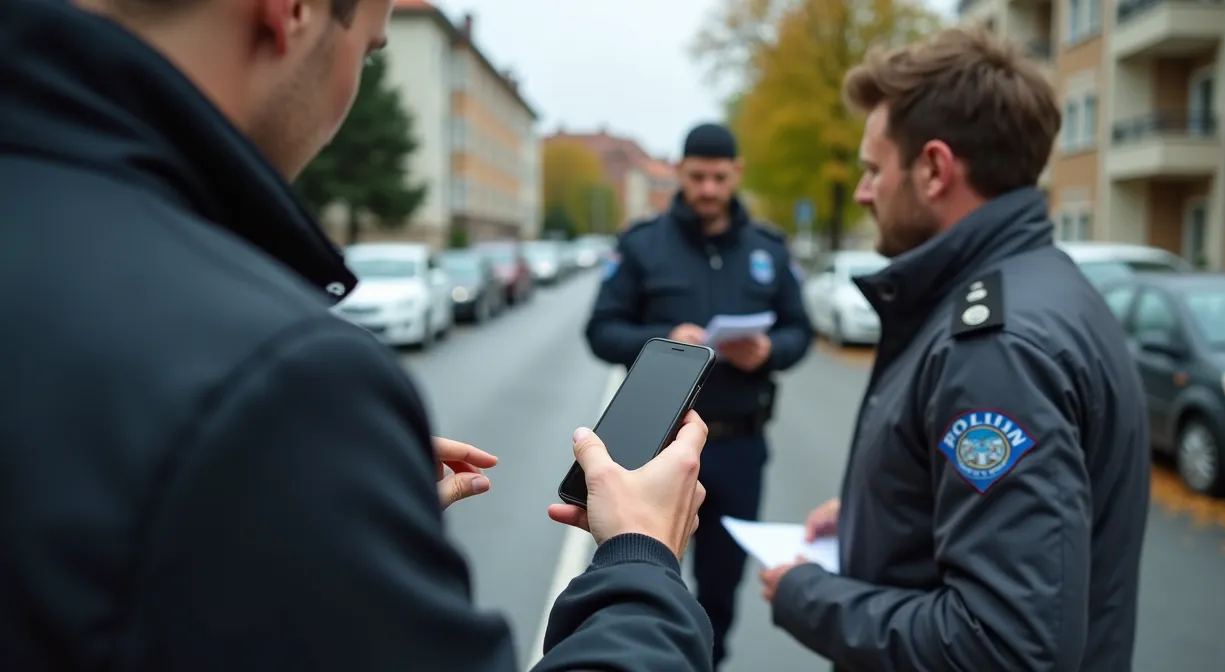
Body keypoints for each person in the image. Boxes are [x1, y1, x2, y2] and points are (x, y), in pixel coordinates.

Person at [0, 0, 714, 670]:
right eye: (369, 54)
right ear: (295, 11)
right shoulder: (280, 382)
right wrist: (641, 558)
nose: (350, 96)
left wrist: (326, 526)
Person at [757, 27, 1151, 672]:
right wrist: (871, 519)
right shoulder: (1045, 285)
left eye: (873, 169)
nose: (863, 191)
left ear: (935, 169)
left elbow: (1004, 645)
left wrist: (811, 596)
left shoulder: (998, 346)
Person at [585, 122, 813, 668]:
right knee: (645, 573)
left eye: (718, 177)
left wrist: (769, 350)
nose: (708, 189)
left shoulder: (768, 250)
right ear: (681, 173)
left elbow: (800, 331)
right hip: (653, 447)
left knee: (720, 585)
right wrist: (662, 342)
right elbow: (600, 330)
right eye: (696, 176)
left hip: (737, 450)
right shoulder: (643, 246)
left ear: (735, 174)